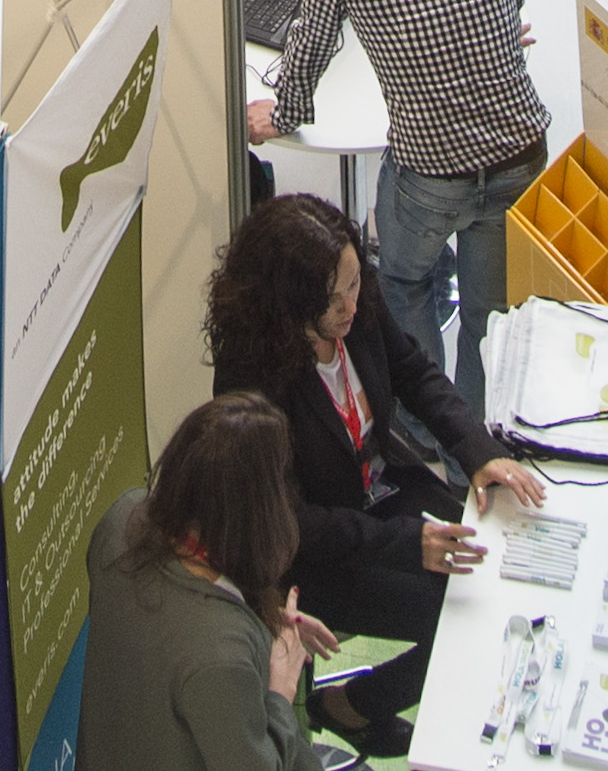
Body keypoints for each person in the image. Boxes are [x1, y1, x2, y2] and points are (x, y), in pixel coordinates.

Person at [245, 0, 559, 464]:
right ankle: (477, 433)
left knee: (405, 286)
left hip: (429, 172)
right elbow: (512, 5)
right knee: (490, 310)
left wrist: (283, 111)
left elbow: (308, 49)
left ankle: (421, 434)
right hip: (519, 156)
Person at [200, 189, 552, 749]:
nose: (352, 307)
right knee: (460, 617)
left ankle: (350, 705)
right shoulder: (253, 376)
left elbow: (414, 372)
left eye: (355, 284)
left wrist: (480, 452)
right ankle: (356, 706)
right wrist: (408, 543)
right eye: (334, 300)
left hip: (381, 491)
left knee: (499, 585)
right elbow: (291, 520)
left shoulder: (355, 304)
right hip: (317, 549)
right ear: (289, 306)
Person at [80, 395, 337, 771]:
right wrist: (280, 691)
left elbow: (164, 636)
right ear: (256, 508)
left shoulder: (122, 519)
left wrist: (261, 623)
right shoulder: (220, 656)